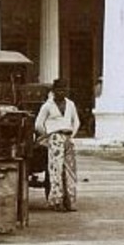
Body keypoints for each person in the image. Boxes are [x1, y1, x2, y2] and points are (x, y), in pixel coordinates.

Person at [34, 78, 81, 212]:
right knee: (56, 170)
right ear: (53, 91)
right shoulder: (47, 106)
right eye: (58, 90)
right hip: (54, 137)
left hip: (67, 137)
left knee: (71, 171)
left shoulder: (70, 104)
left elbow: (76, 122)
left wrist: (72, 135)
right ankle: (56, 201)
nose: (61, 93)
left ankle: (70, 201)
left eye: (63, 90)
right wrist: (49, 135)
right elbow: (38, 124)